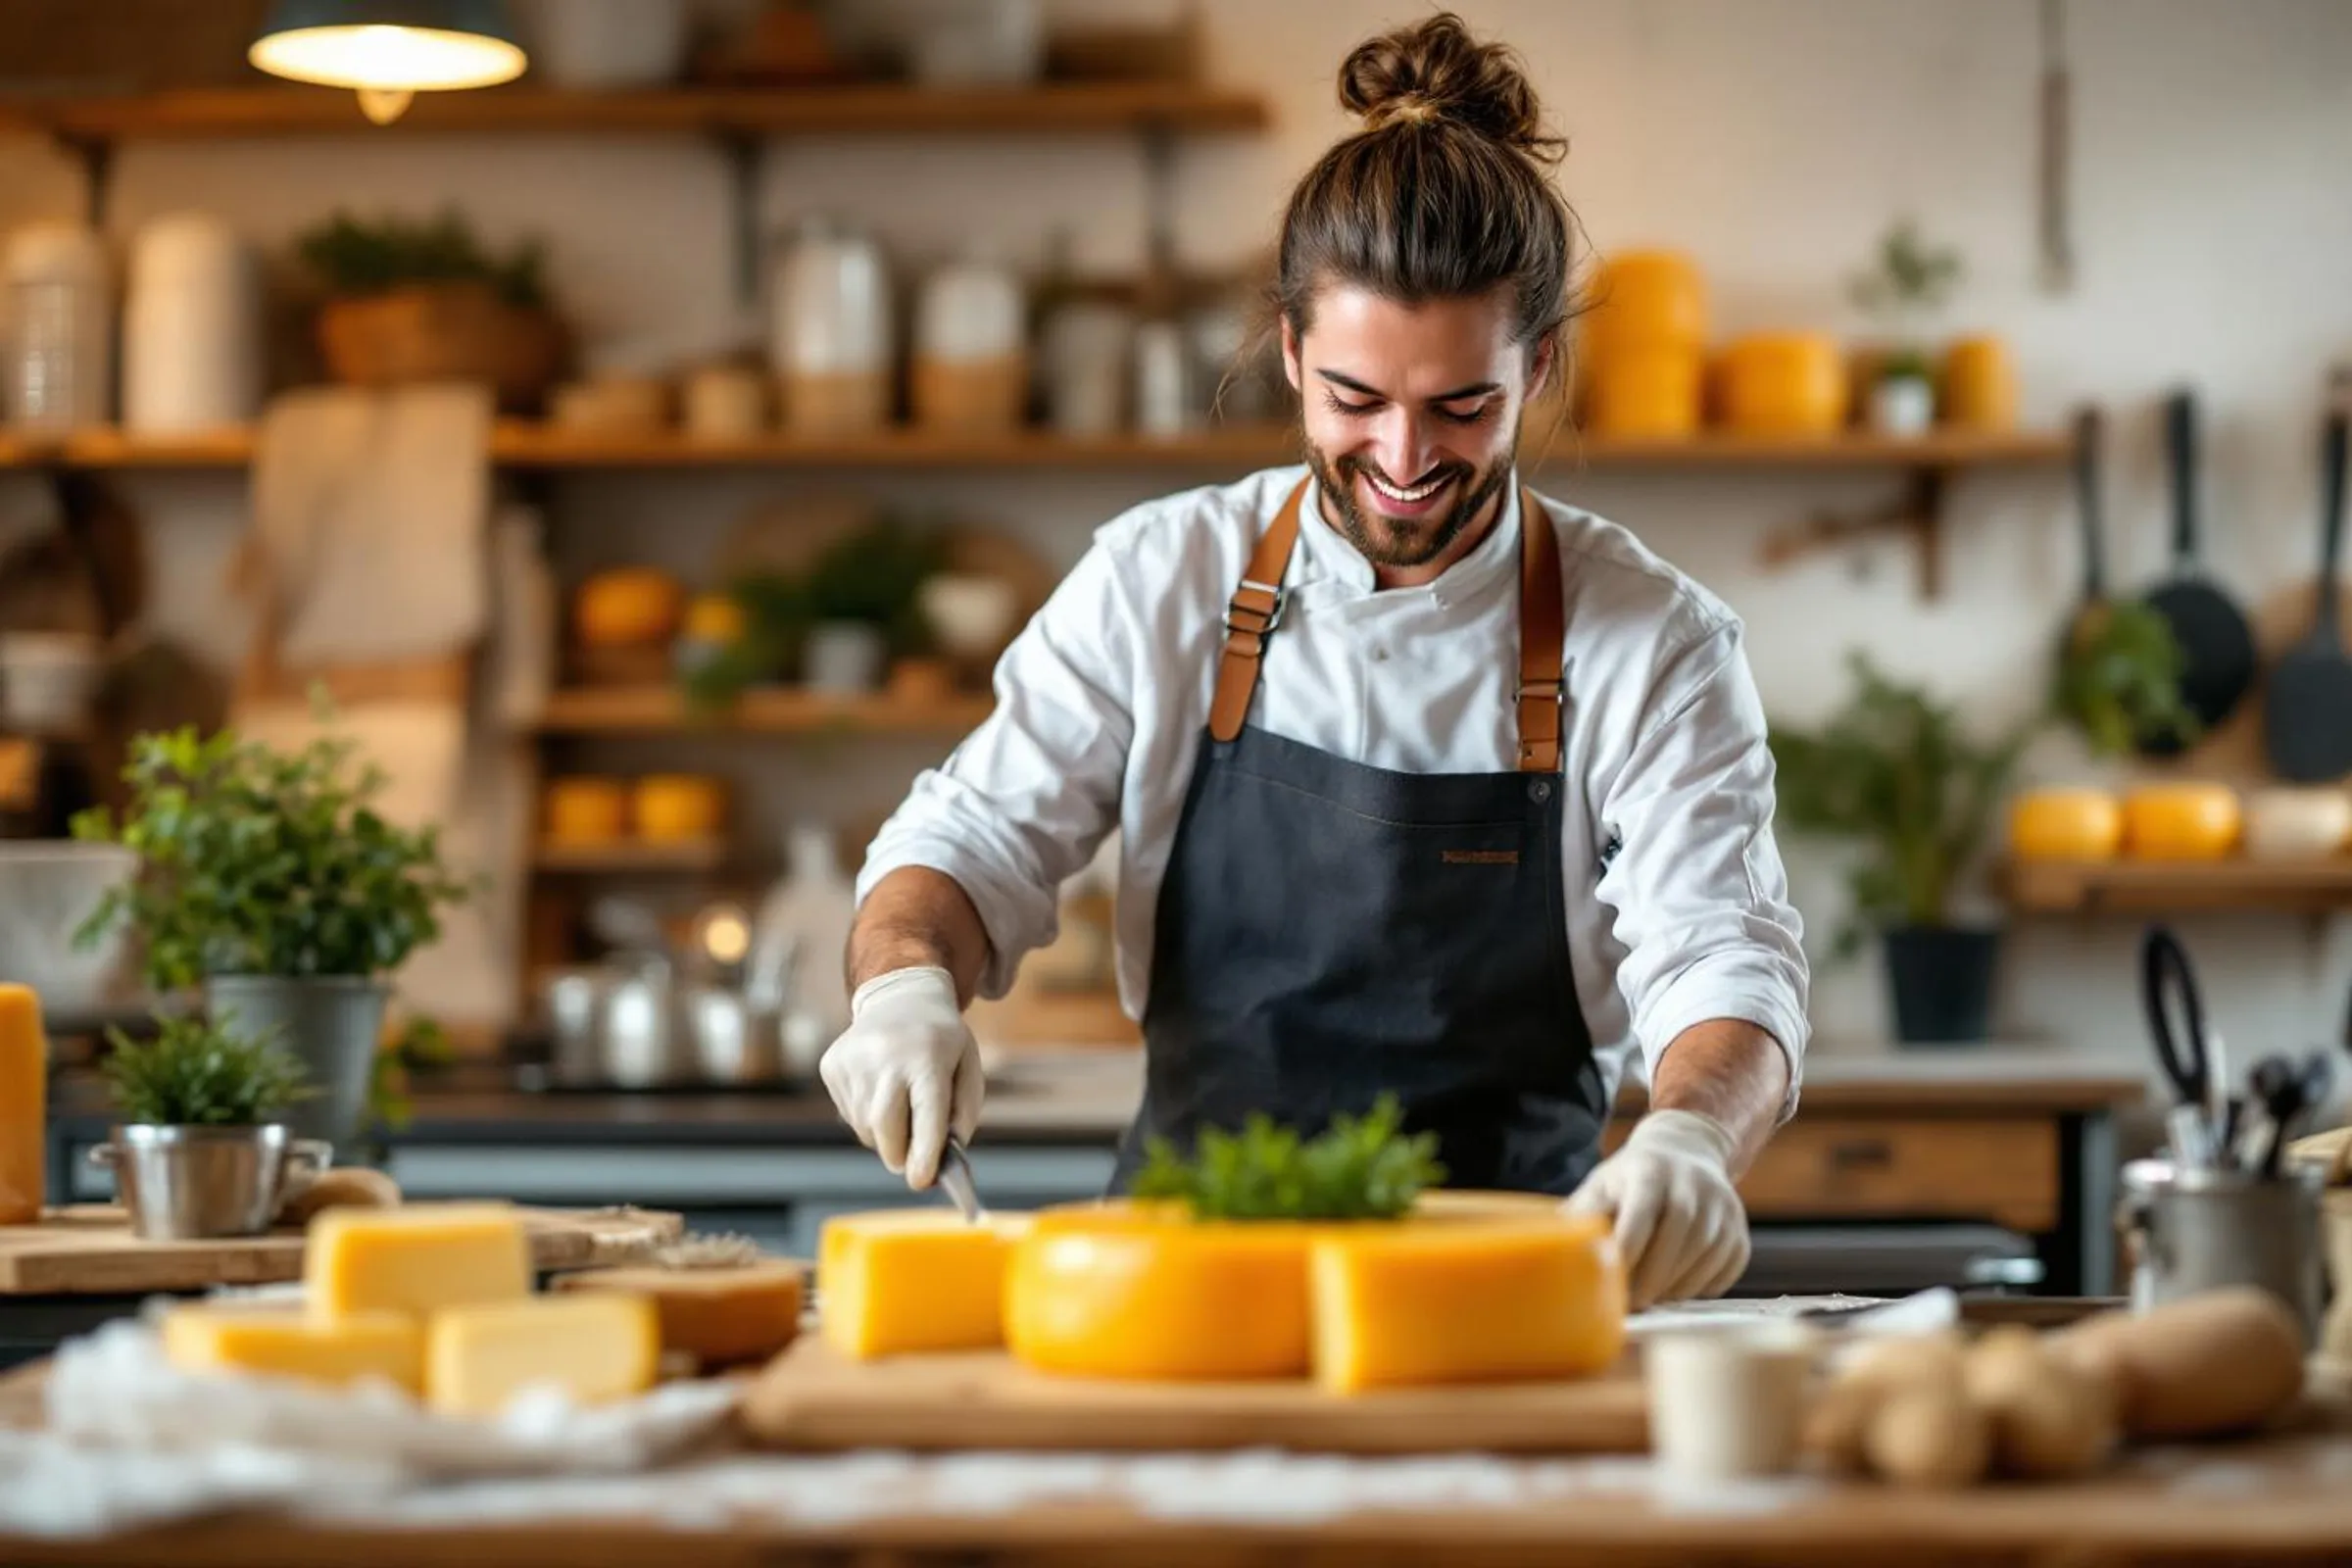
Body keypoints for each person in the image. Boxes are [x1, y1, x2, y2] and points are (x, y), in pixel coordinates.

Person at [818, 11, 1809, 1309]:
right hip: (1185, 1282)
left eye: (1461, 406)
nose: (1404, 460)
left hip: (1498, 1297)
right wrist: (903, 991)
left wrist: (1691, 1139)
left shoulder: (1653, 643)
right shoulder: (1160, 577)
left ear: (1539, 369)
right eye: (1356, 399)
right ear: (1291, 353)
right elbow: (969, 842)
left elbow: (1726, 959)